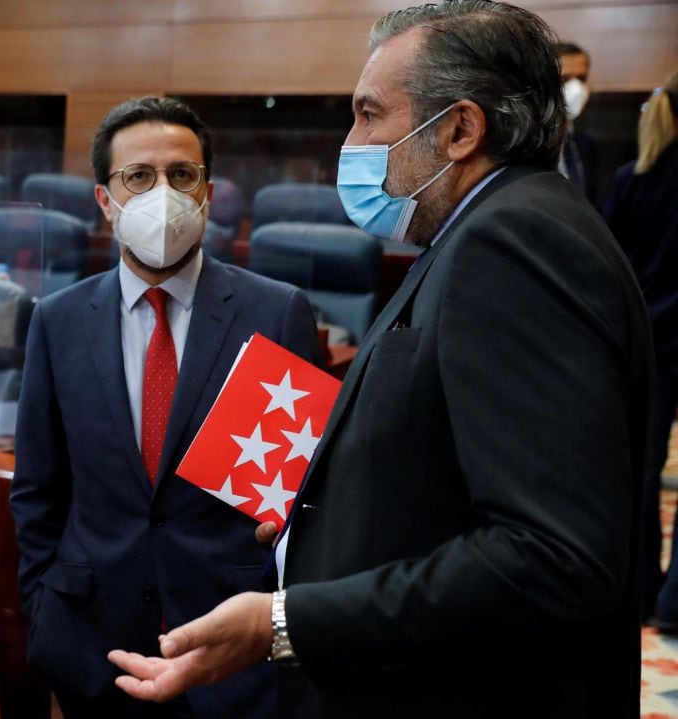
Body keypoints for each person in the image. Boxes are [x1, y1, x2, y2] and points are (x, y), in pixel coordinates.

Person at [108, 3, 652, 718]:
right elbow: (458, 471)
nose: (352, 142)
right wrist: (326, 509)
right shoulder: (491, 230)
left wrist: (282, 621)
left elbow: (550, 556)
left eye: (369, 115)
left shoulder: (513, 243)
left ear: (460, 129)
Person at [10, 96, 321, 719]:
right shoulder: (58, 319)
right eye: (139, 177)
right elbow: (39, 492)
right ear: (105, 200)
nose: (164, 193)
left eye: (182, 175)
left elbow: (301, 502)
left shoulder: (275, 312)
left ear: (206, 191)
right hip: (92, 651)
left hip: (233, 659)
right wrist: (47, 613)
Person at [603, 70, 678, 627]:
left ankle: (646, 594)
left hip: (648, 345)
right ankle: (677, 602)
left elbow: (608, 266)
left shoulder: (633, 177)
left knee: (643, 474)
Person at [556, 41, 600, 205]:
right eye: (564, 79)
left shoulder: (586, 144)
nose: (575, 88)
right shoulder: (527, 144)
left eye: (581, 78)